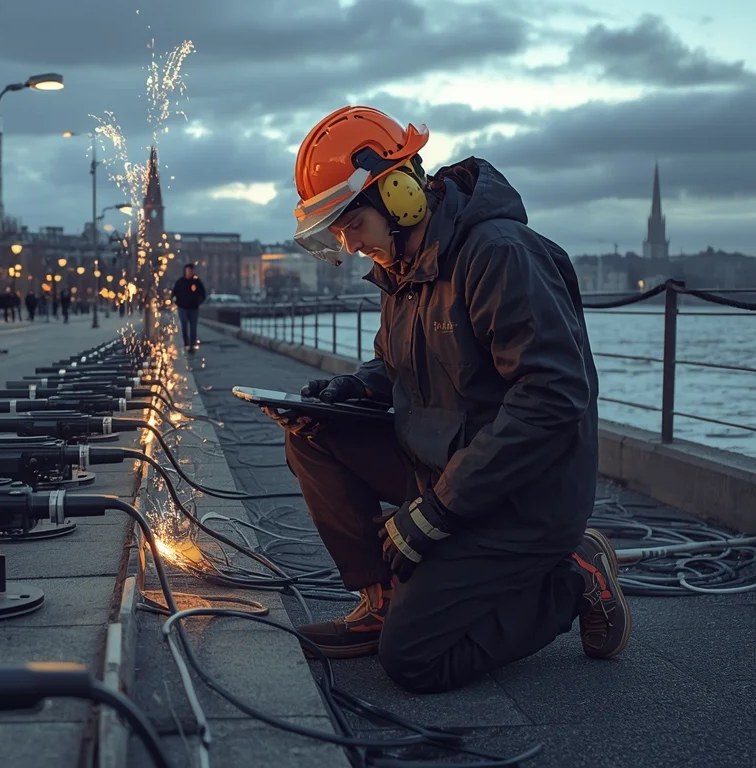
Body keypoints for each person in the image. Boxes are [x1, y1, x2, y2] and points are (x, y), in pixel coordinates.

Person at [266, 105, 631, 694]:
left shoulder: (500, 254)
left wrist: (438, 512)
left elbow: (552, 395)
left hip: (523, 498)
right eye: (337, 234)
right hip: (448, 465)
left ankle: (571, 576)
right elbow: (395, 363)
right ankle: (381, 600)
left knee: (413, 660)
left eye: (352, 224)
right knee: (314, 431)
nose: (351, 245)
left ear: (400, 193)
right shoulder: (402, 268)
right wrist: (351, 391)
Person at [171, 262, 207, 351]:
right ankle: (186, 343)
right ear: (185, 271)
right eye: (188, 271)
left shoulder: (196, 282)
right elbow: (174, 293)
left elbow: (203, 294)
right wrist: (177, 302)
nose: (189, 273)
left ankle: (192, 345)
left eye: (191, 271)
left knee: (193, 327)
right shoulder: (180, 282)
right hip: (182, 307)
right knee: (184, 325)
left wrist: (198, 302)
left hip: (193, 308)